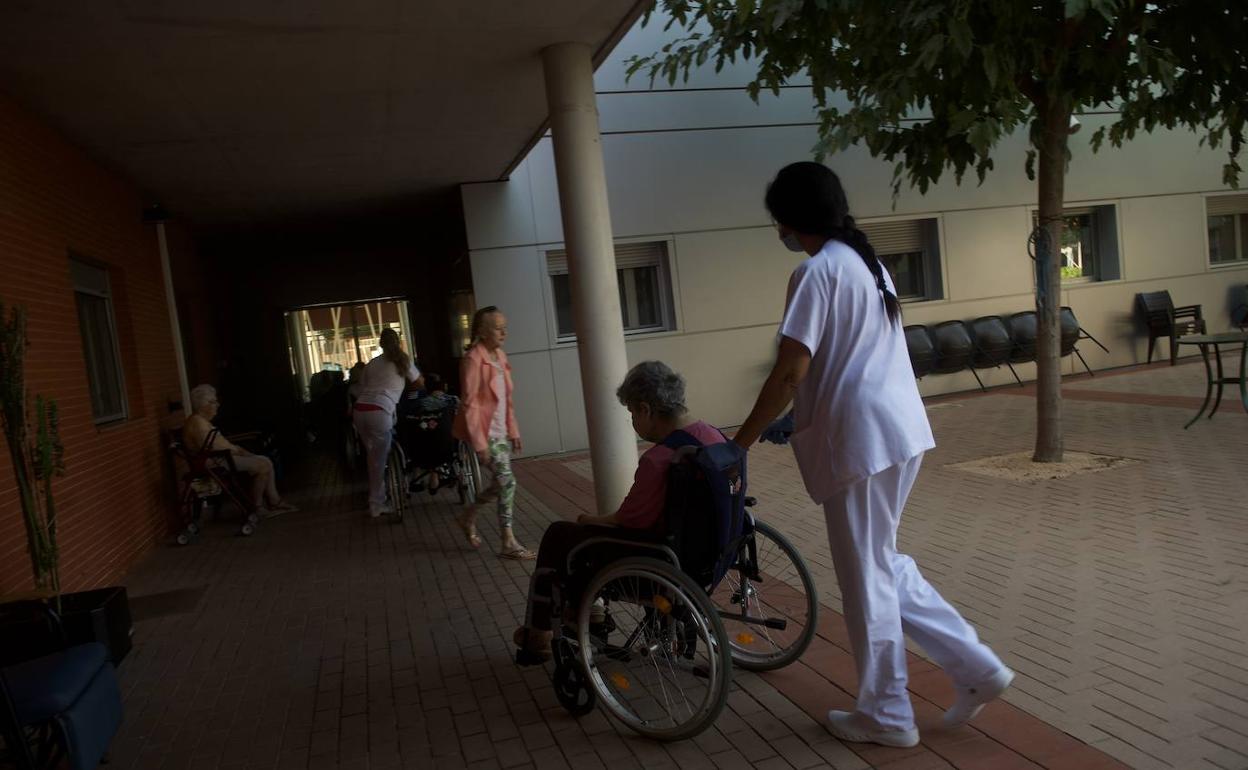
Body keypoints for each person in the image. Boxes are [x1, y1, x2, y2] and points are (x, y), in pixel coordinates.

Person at [733, 162, 1013, 748]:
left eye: (778, 220)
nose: (777, 231)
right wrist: (792, 417)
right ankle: (976, 668)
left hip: (860, 441)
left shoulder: (816, 272)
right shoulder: (869, 264)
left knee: (866, 579)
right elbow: (841, 358)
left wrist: (741, 441)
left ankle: (888, 714)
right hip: (897, 431)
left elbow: (791, 370)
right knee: (881, 564)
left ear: (790, 219)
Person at [513, 361, 725, 660]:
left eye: (631, 414)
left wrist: (590, 519)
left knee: (562, 535)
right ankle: (587, 613)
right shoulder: (716, 438)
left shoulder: (661, 459)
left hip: (660, 561)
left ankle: (540, 633)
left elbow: (630, 520)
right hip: (712, 556)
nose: (633, 422)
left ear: (645, 409)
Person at [452, 306, 532, 559]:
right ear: (482, 331)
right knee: (508, 482)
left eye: (504, 327)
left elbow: (507, 399)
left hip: (500, 432)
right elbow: (470, 403)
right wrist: (479, 443)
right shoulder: (473, 359)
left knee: (500, 484)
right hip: (485, 435)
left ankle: (467, 516)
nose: (504, 332)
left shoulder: (500, 356)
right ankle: (507, 541)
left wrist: (514, 430)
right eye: (498, 328)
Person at [184, 383, 297, 516]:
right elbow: (217, 447)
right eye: (214, 402)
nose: (218, 405)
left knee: (265, 461)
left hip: (220, 458)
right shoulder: (198, 423)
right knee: (262, 464)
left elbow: (218, 445)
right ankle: (258, 507)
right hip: (215, 462)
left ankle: (274, 501)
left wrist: (240, 451)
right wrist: (240, 451)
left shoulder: (200, 421)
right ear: (204, 405)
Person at [352, 328, 422, 517]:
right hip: (380, 412)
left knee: (373, 458)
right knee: (378, 460)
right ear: (398, 342)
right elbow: (419, 382)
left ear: (381, 344)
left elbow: (361, 389)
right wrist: (402, 387)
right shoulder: (403, 360)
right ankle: (376, 504)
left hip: (360, 411)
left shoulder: (372, 364)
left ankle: (379, 496)